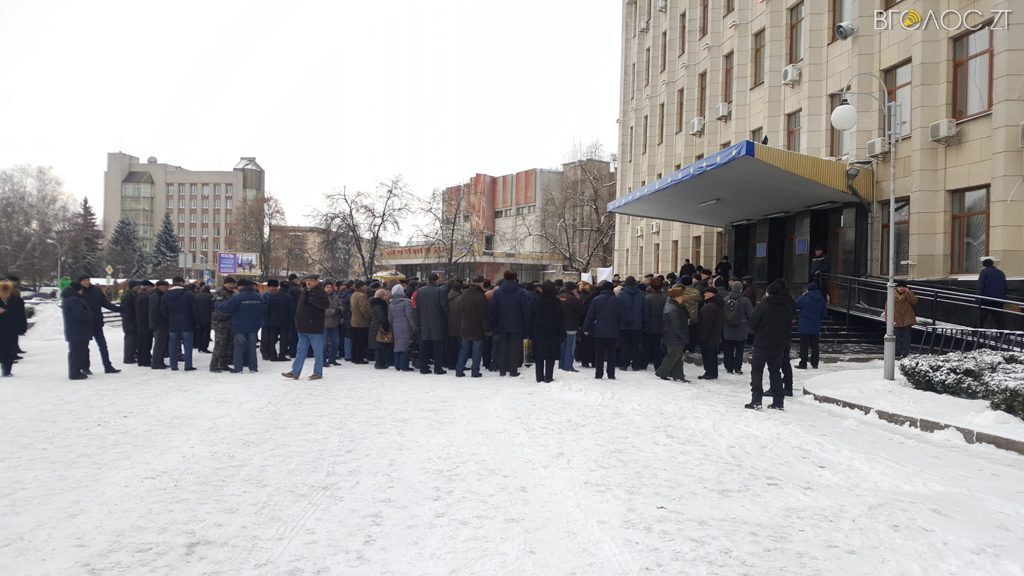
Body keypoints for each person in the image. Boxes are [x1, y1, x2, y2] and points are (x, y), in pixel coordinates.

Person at [746, 281, 793, 410]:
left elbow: (752, 325)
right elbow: (789, 326)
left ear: (769, 292)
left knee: (757, 372)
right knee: (775, 372)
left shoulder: (762, 306)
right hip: (778, 345)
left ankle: (756, 400)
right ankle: (778, 401)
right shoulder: (786, 307)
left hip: (761, 344)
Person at [282, 274, 329, 380]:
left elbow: (325, 305)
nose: (308, 282)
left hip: (315, 327)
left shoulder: (320, 293)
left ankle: (318, 372)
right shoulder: (304, 292)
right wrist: (297, 321)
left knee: (318, 352)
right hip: (303, 327)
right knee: (300, 351)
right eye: (307, 280)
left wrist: (312, 299)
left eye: (311, 280)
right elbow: (299, 307)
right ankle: (295, 371)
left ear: (316, 282)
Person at [215, 278, 262, 373]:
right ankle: (253, 367)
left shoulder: (238, 297)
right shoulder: (257, 297)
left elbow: (226, 307)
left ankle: (238, 368)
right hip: (253, 326)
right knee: (252, 348)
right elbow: (263, 310)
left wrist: (217, 304)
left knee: (238, 347)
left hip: (239, 326)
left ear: (240, 286)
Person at [78, 276, 122, 374]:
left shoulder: (96, 290)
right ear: (80, 282)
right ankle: (85, 367)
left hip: (97, 322)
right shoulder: (78, 292)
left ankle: (108, 366)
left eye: (88, 280)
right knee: (84, 347)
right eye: (84, 280)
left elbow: (105, 303)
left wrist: (119, 309)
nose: (87, 282)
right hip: (85, 324)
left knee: (103, 346)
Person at [490, 270, 531, 377]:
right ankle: (513, 369)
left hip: (501, 324)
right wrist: (526, 325)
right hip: (517, 325)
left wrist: (494, 324)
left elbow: (494, 309)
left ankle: (502, 369)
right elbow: (525, 310)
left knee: (502, 348)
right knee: (515, 348)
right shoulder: (520, 292)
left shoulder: (498, 292)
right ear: (515, 278)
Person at [583, 281, 622, 380]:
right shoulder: (617, 300)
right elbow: (621, 316)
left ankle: (599, 373)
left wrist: (586, 328)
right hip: (613, 331)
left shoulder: (596, 300)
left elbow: (590, 316)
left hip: (599, 331)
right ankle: (611, 374)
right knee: (611, 354)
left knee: (599, 353)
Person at [530, 281, 565, 383]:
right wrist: (562, 333)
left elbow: (531, 317)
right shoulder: (556, 302)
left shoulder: (536, 300)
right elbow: (560, 319)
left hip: (538, 331)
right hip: (552, 332)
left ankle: (539, 377)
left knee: (539, 355)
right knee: (551, 356)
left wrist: (529, 331)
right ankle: (548, 377)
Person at [162, 276, 199, 372]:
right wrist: (196, 321)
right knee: (188, 346)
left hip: (173, 323)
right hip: (187, 323)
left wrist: (169, 318)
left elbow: (163, 311)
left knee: (173, 345)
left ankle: (173, 365)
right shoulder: (189, 294)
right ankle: (188, 365)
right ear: (182, 283)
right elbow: (194, 309)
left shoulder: (166, 295)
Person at [457, 275, 490, 378]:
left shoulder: (464, 294)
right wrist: (487, 329)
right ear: (481, 283)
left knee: (464, 349)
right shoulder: (481, 296)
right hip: (477, 327)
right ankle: (475, 371)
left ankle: (459, 370)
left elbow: (459, 308)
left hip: (465, 325)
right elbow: (484, 315)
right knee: (477, 350)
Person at [415, 273, 449, 375]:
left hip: (424, 322)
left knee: (424, 347)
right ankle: (438, 368)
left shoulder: (420, 291)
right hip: (438, 323)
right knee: (438, 347)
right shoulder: (440, 291)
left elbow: (417, 308)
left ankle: (423, 367)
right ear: (436, 280)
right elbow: (444, 308)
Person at [656, 286, 690, 382]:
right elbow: (676, 326)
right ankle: (662, 372)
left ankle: (678, 375)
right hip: (674, 337)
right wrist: (683, 336)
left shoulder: (672, 306)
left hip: (672, 336)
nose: (683, 298)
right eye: (682, 296)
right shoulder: (673, 308)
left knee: (677, 357)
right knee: (673, 356)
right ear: (676, 297)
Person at [61, 282, 94, 380]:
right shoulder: (74, 300)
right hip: (78, 330)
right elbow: (80, 315)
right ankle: (75, 373)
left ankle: (76, 371)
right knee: (77, 352)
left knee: (75, 351)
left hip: (73, 330)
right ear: (78, 290)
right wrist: (90, 314)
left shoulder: (67, 299)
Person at [722, 281, 753, 374]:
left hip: (728, 327)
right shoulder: (745, 300)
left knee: (728, 349)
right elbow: (751, 314)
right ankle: (737, 367)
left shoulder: (726, 299)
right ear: (741, 289)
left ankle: (729, 367)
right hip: (741, 328)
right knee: (739, 350)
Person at [795, 282, 828, 369]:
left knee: (804, 346)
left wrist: (802, 295)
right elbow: (824, 314)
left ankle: (803, 363)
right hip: (815, 326)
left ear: (808, 289)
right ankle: (815, 363)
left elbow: (796, 305)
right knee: (815, 346)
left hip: (804, 326)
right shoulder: (821, 299)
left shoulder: (804, 298)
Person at [617, 276, 646, 371]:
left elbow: (618, 309)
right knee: (636, 345)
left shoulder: (621, 295)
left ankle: (623, 364)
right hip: (637, 324)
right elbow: (644, 311)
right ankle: (636, 364)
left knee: (624, 345)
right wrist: (644, 323)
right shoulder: (641, 295)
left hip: (623, 324)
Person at [209, 277, 237, 373]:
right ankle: (213, 365)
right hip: (220, 323)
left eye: (233, 284)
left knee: (228, 345)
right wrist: (230, 314)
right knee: (219, 345)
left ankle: (223, 364)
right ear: (224, 284)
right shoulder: (219, 293)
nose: (231, 285)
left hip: (230, 323)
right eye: (229, 283)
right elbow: (218, 309)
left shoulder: (233, 294)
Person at [388, 283, 417, 372]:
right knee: (406, 345)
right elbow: (410, 316)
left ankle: (397, 364)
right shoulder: (406, 302)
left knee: (397, 345)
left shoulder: (391, 304)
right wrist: (414, 327)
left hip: (396, 327)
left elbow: (390, 318)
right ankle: (404, 365)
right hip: (406, 327)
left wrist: (393, 326)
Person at [261, 279, 292, 362]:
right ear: (268, 287)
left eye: (275, 286)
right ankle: (266, 353)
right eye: (272, 286)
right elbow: (264, 309)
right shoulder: (265, 296)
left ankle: (271, 354)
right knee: (266, 338)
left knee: (271, 338)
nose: (274, 288)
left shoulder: (272, 295)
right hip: (267, 321)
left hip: (272, 321)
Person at [697, 287, 725, 380]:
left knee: (708, 355)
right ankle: (712, 372)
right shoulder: (716, 304)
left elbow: (706, 324)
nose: (704, 294)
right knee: (712, 355)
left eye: (706, 292)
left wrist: (703, 336)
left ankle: (710, 373)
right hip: (714, 335)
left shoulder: (710, 307)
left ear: (712, 294)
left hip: (709, 336)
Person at [559, 281, 585, 372]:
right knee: (570, 347)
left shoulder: (560, 297)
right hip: (571, 325)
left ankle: (561, 365)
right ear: (574, 289)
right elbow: (582, 310)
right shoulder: (573, 299)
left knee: (563, 346)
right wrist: (578, 299)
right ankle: (568, 366)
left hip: (561, 326)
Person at [642, 277, 667, 370]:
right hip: (661, 325)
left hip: (649, 325)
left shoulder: (647, 298)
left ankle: (644, 363)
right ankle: (658, 364)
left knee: (646, 346)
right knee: (658, 346)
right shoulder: (665, 298)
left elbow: (645, 313)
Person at [977, 258, 1008, 330]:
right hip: (999, 298)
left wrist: (978, 295)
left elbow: (981, 284)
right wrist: (1004, 296)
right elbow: (1004, 285)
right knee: (999, 317)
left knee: (982, 316)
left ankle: (977, 331)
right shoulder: (1000, 272)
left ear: (984, 265)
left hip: (987, 298)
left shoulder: (984, 272)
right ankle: (1002, 332)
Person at [2, 275, 27, 358]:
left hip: (14, 314)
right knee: (8, 336)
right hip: (8, 315)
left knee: (13, 334)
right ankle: (10, 354)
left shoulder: (15, 289)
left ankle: (14, 351)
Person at [368, 288, 393, 369]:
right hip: (378, 327)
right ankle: (379, 363)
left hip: (375, 326)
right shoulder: (379, 305)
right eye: (385, 295)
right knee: (378, 345)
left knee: (378, 344)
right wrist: (385, 325)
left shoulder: (374, 304)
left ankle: (380, 362)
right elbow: (381, 317)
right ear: (382, 296)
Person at [149, 280, 170, 370]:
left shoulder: (158, 295)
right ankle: (156, 362)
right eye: (166, 287)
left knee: (161, 343)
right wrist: (162, 320)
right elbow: (155, 311)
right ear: (160, 286)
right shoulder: (156, 296)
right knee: (159, 344)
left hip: (159, 323)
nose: (167, 288)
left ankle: (159, 361)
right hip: (159, 324)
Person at [349, 280, 372, 365]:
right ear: (361, 286)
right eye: (364, 285)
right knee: (361, 341)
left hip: (354, 320)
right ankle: (359, 358)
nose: (366, 287)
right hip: (361, 321)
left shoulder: (353, 294)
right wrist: (369, 317)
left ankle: (354, 357)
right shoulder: (362, 296)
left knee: (355, 340)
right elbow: (364, 308)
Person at [320, 280, 343, 366]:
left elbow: (341, 305)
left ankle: (332, 359)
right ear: (324, 288)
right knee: (324, 344)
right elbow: (322, 310)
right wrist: (334, 311)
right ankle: (323, 360)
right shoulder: (321, 297)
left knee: (336, 342)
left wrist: (340, 310)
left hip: (334, 323)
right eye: (327, 287)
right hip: (324, 323)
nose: (329, 289)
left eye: (330, 287)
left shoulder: (335, 296)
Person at [894, 280, 918, 359]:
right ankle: (897, 352)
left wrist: (908, 292)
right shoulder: (892, 294)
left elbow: (914, 301)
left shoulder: (908, 294)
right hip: (896, 318)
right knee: (896, 336)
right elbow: (888, 305)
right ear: (897, 287)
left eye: (903, 287)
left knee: (906, 337)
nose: (901, 288)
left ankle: (905, 353)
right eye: (900, 287)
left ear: (906, 288)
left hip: (907, 318)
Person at [0, 280, 19, 376]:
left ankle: (7, 370)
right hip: (1, 329)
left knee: (9, 350)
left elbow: (18, 314)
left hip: (10, 329)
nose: (5, 294)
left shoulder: (13, 300)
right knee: (3, 350)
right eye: (3, 291)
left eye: (7, 292)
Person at [679, 276, 701, 354]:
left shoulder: (680, 292)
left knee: (682, 333)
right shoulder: (696, 291)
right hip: (693, 316)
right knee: (692, 333)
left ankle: (683, 349)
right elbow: (700, 300)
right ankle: (691, 349)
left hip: (682, 316)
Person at [134, 281, 154, 367]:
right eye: (151, 288)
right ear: (147, 287)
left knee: (141, 343)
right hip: (145, 324)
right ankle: (146, 361)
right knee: (146, 343)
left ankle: (141, 360)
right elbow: (147, 311)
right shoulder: (146, 297)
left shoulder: (139, 296)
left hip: (140, 323)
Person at [445, 282, 464, 370]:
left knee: (451, 346)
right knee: (459, 346)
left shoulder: (448, 296)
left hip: (449, 324)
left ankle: (450, 363)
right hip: (459, 324)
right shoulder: (461, 298)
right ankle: (458, 363)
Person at [120, 281, 138, 364]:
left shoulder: (132, 295)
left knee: (132, 340)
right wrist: (132, 318)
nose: (138, 287)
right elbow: (125, 310)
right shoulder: (128, 296)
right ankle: (128, 358)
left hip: (130, 321)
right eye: (136, 286)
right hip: (129, 322)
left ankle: (131, 356)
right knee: (130, 340)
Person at [194, 285, 213, 353]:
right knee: (206, 332)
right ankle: (204, 347)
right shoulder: (210, 296)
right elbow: (212, 307)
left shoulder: (197, 296)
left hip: (198, 317)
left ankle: (199, 346)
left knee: (200, 332)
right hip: (207, 316)